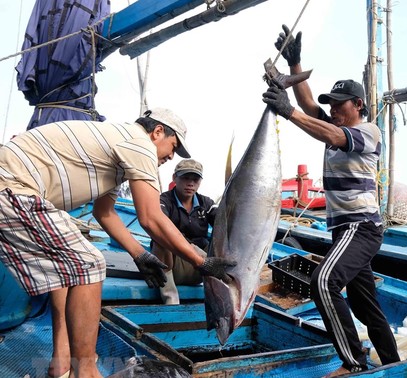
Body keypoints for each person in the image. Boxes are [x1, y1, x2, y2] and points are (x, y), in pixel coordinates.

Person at [0, 108, 236, 378]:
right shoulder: (137, 142)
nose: (171, 156)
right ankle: (86, 371)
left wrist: (139, 254)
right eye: (173, 146)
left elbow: (105, 213)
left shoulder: (116, 158)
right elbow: (150, 217)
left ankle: (62, 362)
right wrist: (201, 262)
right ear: (157, 132)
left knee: (68, 269)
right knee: (89, 263)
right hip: (12, 186)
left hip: (12, 187)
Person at [262, 25, 400, 377]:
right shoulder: (334, 127)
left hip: (361, 227)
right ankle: (393, 365)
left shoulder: (367, 132)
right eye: (332, 105)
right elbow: (310, 107)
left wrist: (288, 112)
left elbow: (330, 131)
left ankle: (353, 363)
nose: (333, 109)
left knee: (323, 282)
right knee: (365, 306)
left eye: (340, 105)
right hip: (344, 232)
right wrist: (296, 66)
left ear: (358, 105)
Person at [152, 158, 216, 304]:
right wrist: (193, 251)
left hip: (204, 268)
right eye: (185, 178)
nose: (190, 183)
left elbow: (223, 222)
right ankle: (170, 298)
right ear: (175, 178)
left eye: (195, 180)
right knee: (161, 238)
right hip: (173, 267)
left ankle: (221, 293)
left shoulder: (206, 203)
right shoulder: (163, 200)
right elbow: (159, 224)